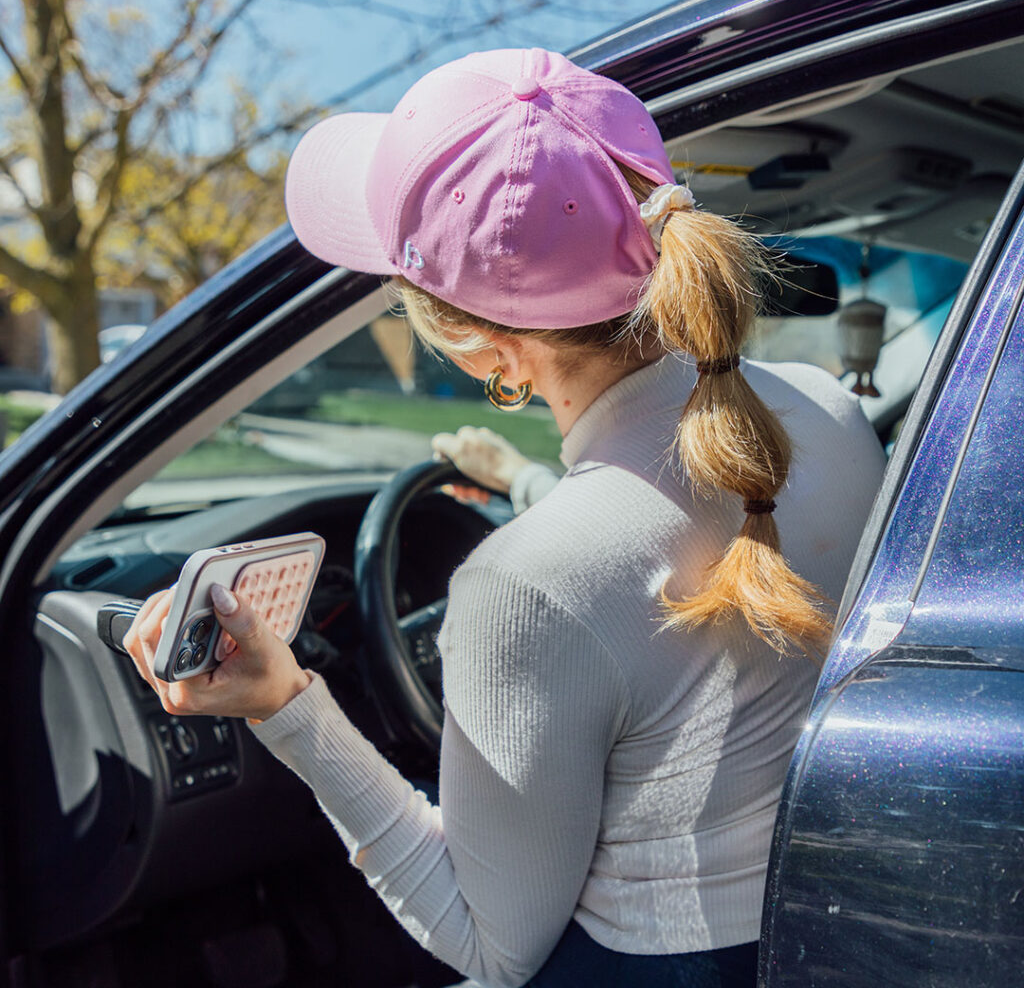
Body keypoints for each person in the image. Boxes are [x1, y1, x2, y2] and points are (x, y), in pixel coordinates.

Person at [125, 48, 886, 987]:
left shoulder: (524, 585)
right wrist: (528, 489)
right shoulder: (832, 411)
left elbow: (492, 946)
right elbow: (664, 552)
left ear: (493, 355)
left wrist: (286, 706)